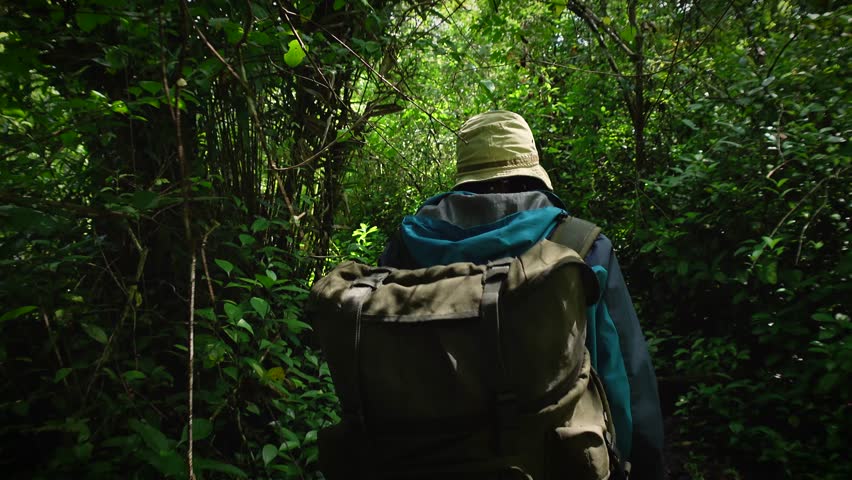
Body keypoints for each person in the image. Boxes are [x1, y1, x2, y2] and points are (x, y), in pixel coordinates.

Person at [379, 110, 665, 480]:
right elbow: (626, 375)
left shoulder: (407, 247)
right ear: (531, 168)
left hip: (429, 462)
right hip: (556, 463)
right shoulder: (579, 245)